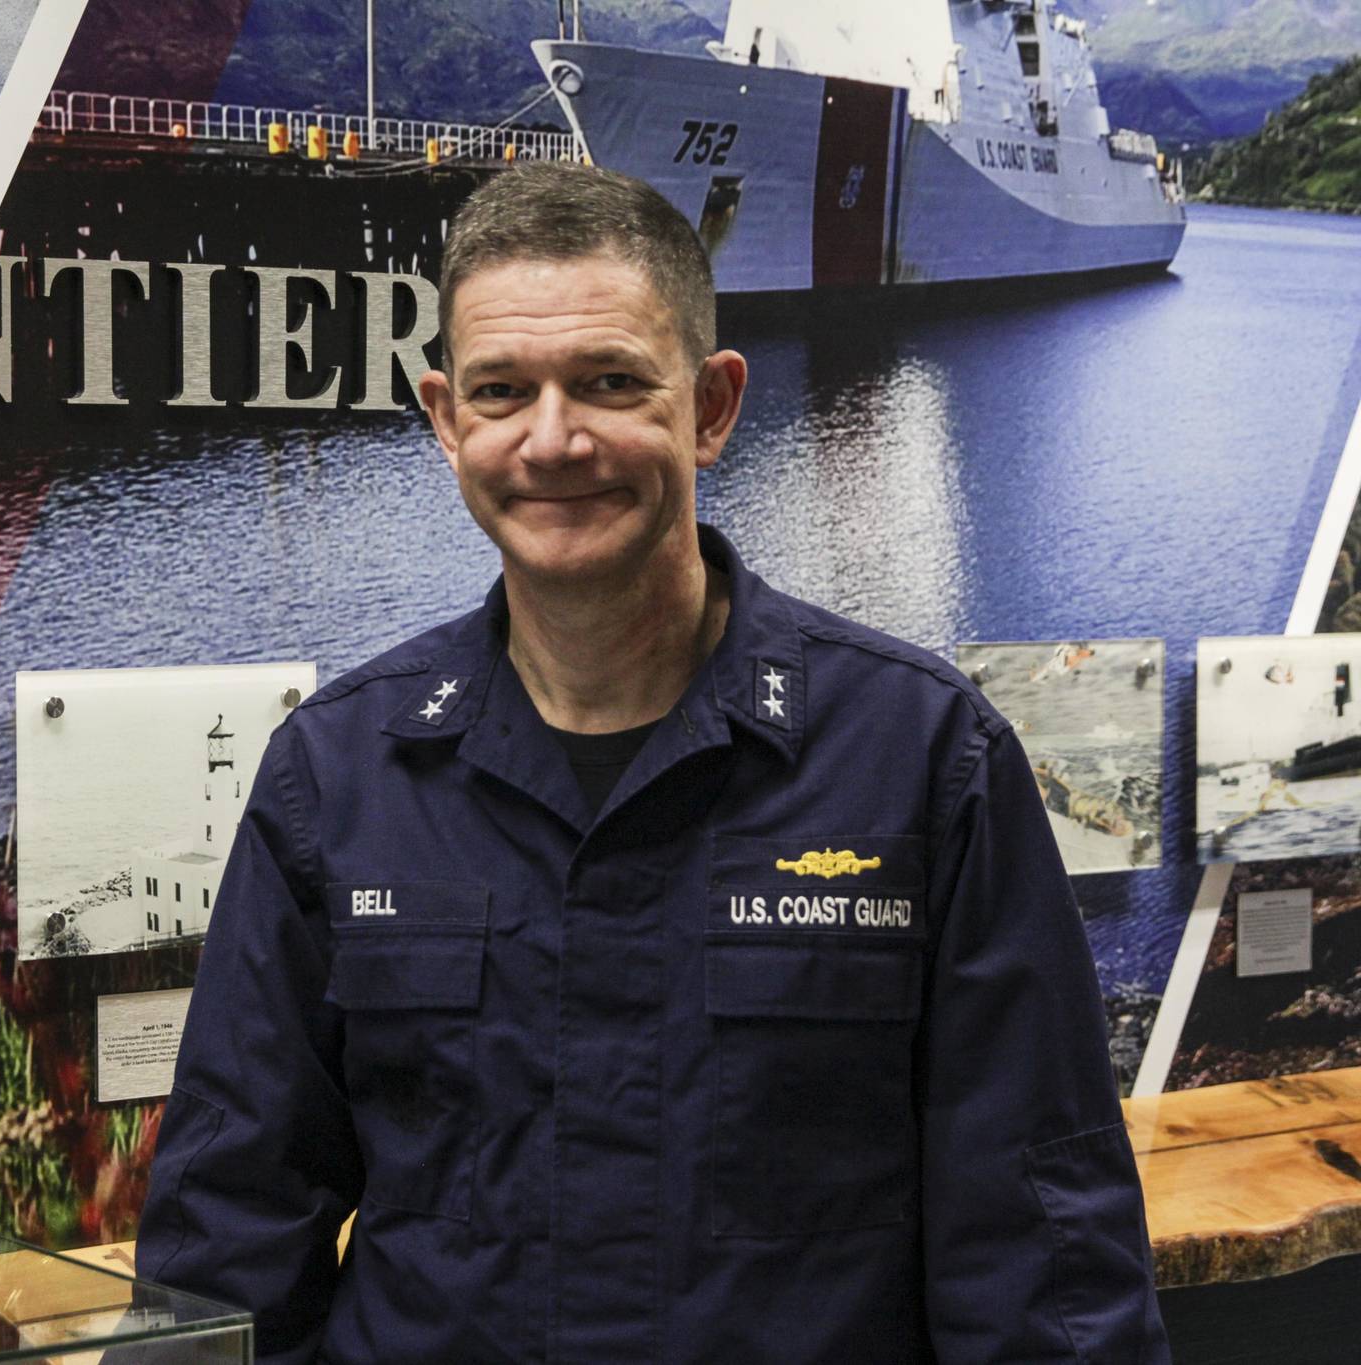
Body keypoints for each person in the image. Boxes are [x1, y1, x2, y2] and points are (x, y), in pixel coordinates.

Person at [135, 162, 1167, 1363]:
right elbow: (222, 1243)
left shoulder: (921, 760)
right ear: (444, 420)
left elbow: (1042, 1255)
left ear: (712, 406)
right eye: (501, 390)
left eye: (611, 382)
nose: (552, 438)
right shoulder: (339, 775)